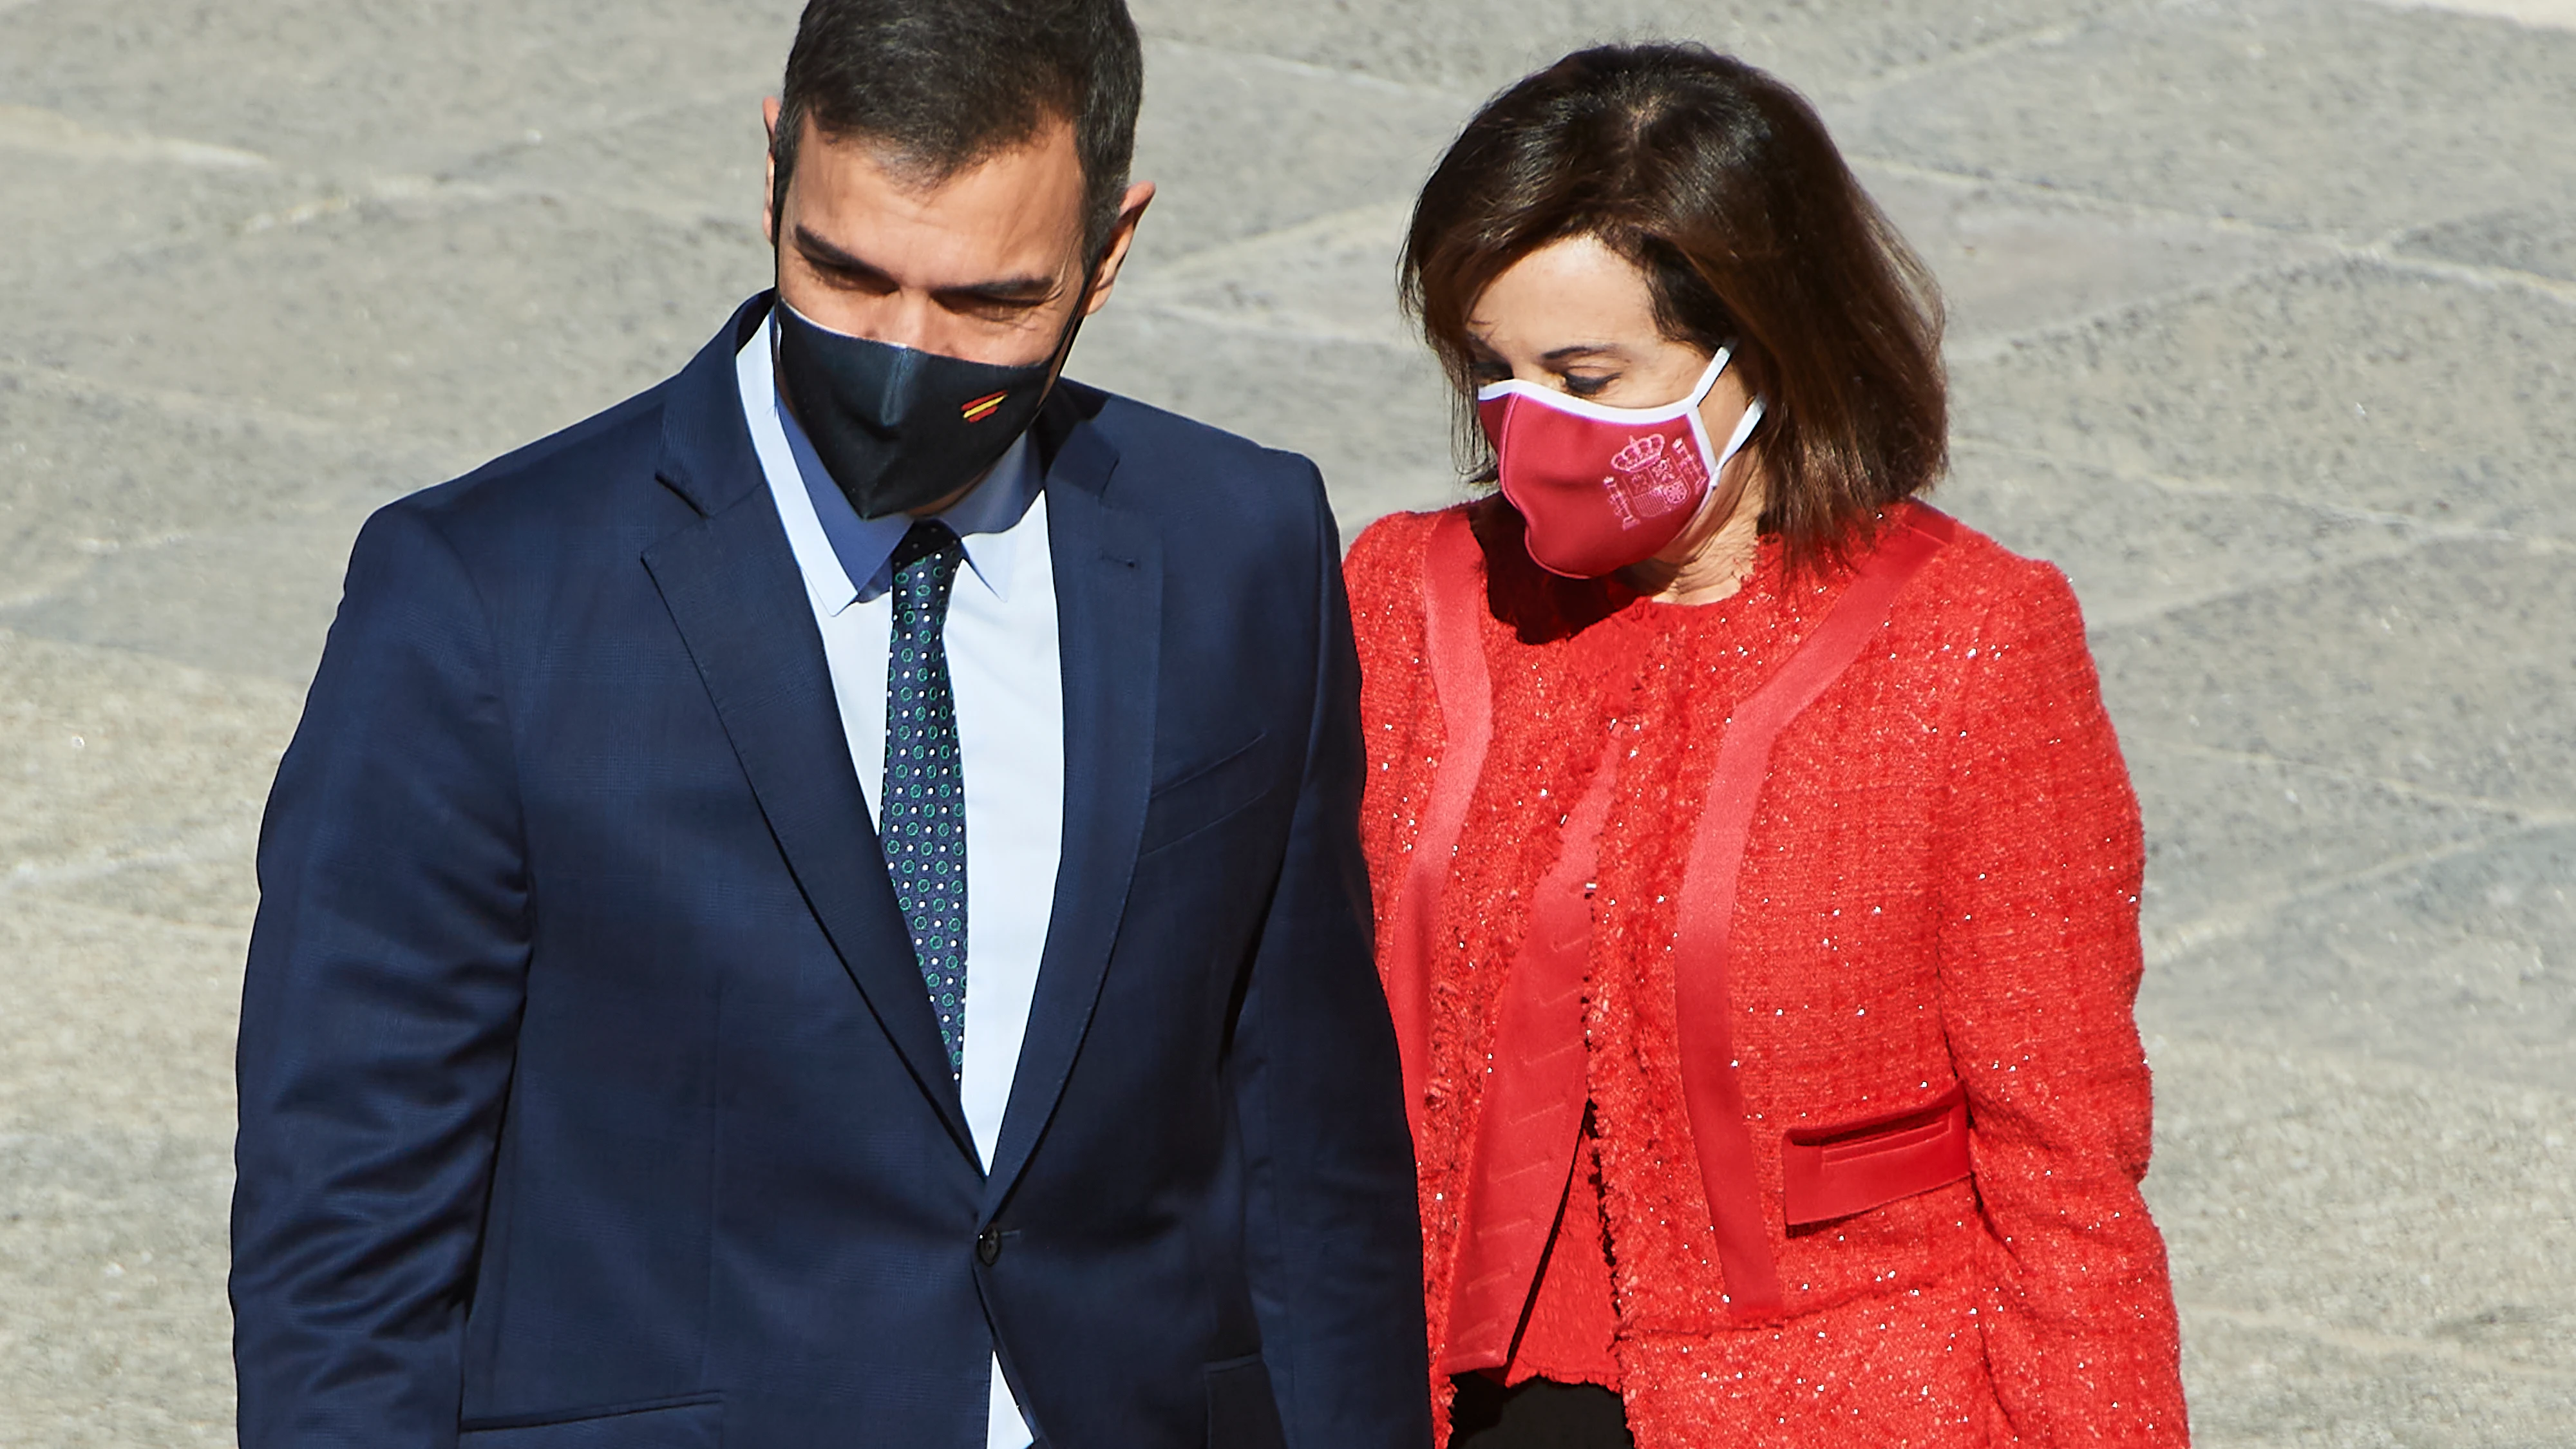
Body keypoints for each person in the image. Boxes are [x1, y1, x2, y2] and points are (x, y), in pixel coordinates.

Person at [229, 3, 1430, 1446]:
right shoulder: (485, 596)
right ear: (772, 176)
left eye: (988, 304)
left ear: (1112, 251)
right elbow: (347, 1222)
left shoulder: (1237, 544)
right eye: (844, 275)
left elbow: (1310, 1148)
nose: (902, 356)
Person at [1345, 44, 2190, 1449]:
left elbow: (2062, 1164)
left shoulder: (1970, 643)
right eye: (1491, 372)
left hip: (1838, 1402)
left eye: (1585, 375)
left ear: (1758, 348)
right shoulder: (1400, 596)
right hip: (1445, 1391)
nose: (1527, 425)